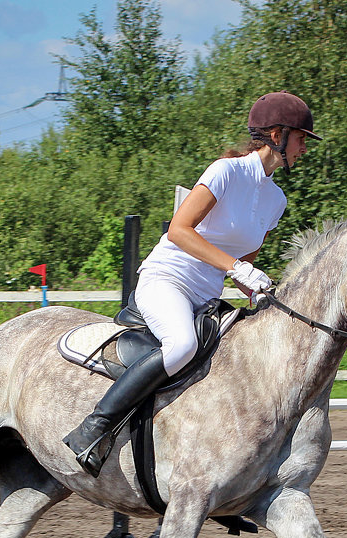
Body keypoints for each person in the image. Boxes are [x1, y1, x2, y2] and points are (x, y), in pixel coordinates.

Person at [64, 91, 322, 477]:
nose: (304, 148)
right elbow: (180, 232)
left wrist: (257, 288)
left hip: (207, 298)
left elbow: (244, 262)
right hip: (166, 280)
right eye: (301, 138)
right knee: (182, 344)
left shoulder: (276, 199)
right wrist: (237, 267)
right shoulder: (225, 172)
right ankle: (94, 427)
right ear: (276, 134)